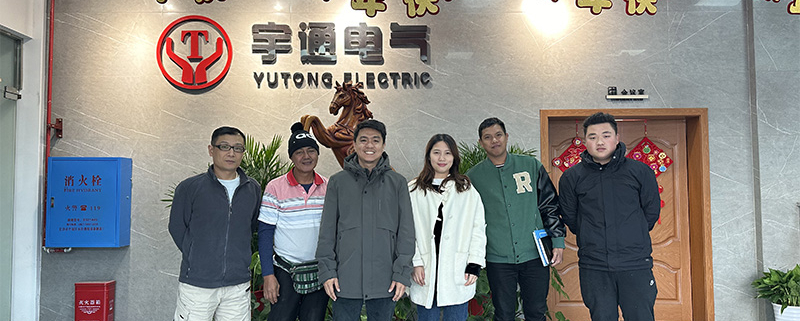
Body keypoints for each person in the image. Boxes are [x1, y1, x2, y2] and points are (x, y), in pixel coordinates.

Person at [558, 112, 660, 321]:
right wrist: (591, 233)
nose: (600, 142)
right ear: (585, 141)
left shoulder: (640, 172)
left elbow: (650, 213)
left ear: (616, 137)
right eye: (593, 137)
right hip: (594, 265)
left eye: (606, 135)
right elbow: (571, 217)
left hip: (635, 263)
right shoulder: (572, 177)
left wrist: (632, 233)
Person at [465, 117, 566, 321]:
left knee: (536, 311)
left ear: (506, 137)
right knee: (503, 314)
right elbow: (468, 220)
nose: (494, 140)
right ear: (480, 143)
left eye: (498, 135)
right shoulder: (473, 177)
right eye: (488, 137)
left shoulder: (530, 165)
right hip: (497, 259)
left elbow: (549, 205)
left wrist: (558, 241)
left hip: (535, 255)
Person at [315, 119, 415, 321]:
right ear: (354, 143)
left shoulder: (397, 183)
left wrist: (401, 274)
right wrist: (327, 272)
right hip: (344, 280)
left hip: (385, 280)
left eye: (375, 140)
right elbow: (327, 232)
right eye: (364, 140)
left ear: (383, 145)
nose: (369, 145)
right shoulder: (338, 182)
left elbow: (406, 233)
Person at [169, 126, 261, 321]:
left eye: (238, 148)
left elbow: (251, 226)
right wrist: (197, 255)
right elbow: (177, 227)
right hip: (197, 285)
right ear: (211, 150)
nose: (231, 153)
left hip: (237, 285)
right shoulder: (190, 188)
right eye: (224, 146)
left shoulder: (252, 189)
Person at [408, 134, 486, 321]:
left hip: (456, 270)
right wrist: (416, 261)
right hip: (425, 270)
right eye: (437, 153)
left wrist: (474, 263)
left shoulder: (466, 189)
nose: (442, 158)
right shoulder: (413, 189)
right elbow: (406, 230)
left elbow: (478, 227)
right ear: (428, 156)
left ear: (454, 157)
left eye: (447, 153)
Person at [257, 122, 329, 321]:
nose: (306, 156)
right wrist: (268, 275)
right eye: (299, 152)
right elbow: (265, 233)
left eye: (311, 150)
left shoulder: (328, 187)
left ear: (317, 154)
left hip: (318, 272)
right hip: (284, 271)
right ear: (291, 157)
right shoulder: (275, 187)